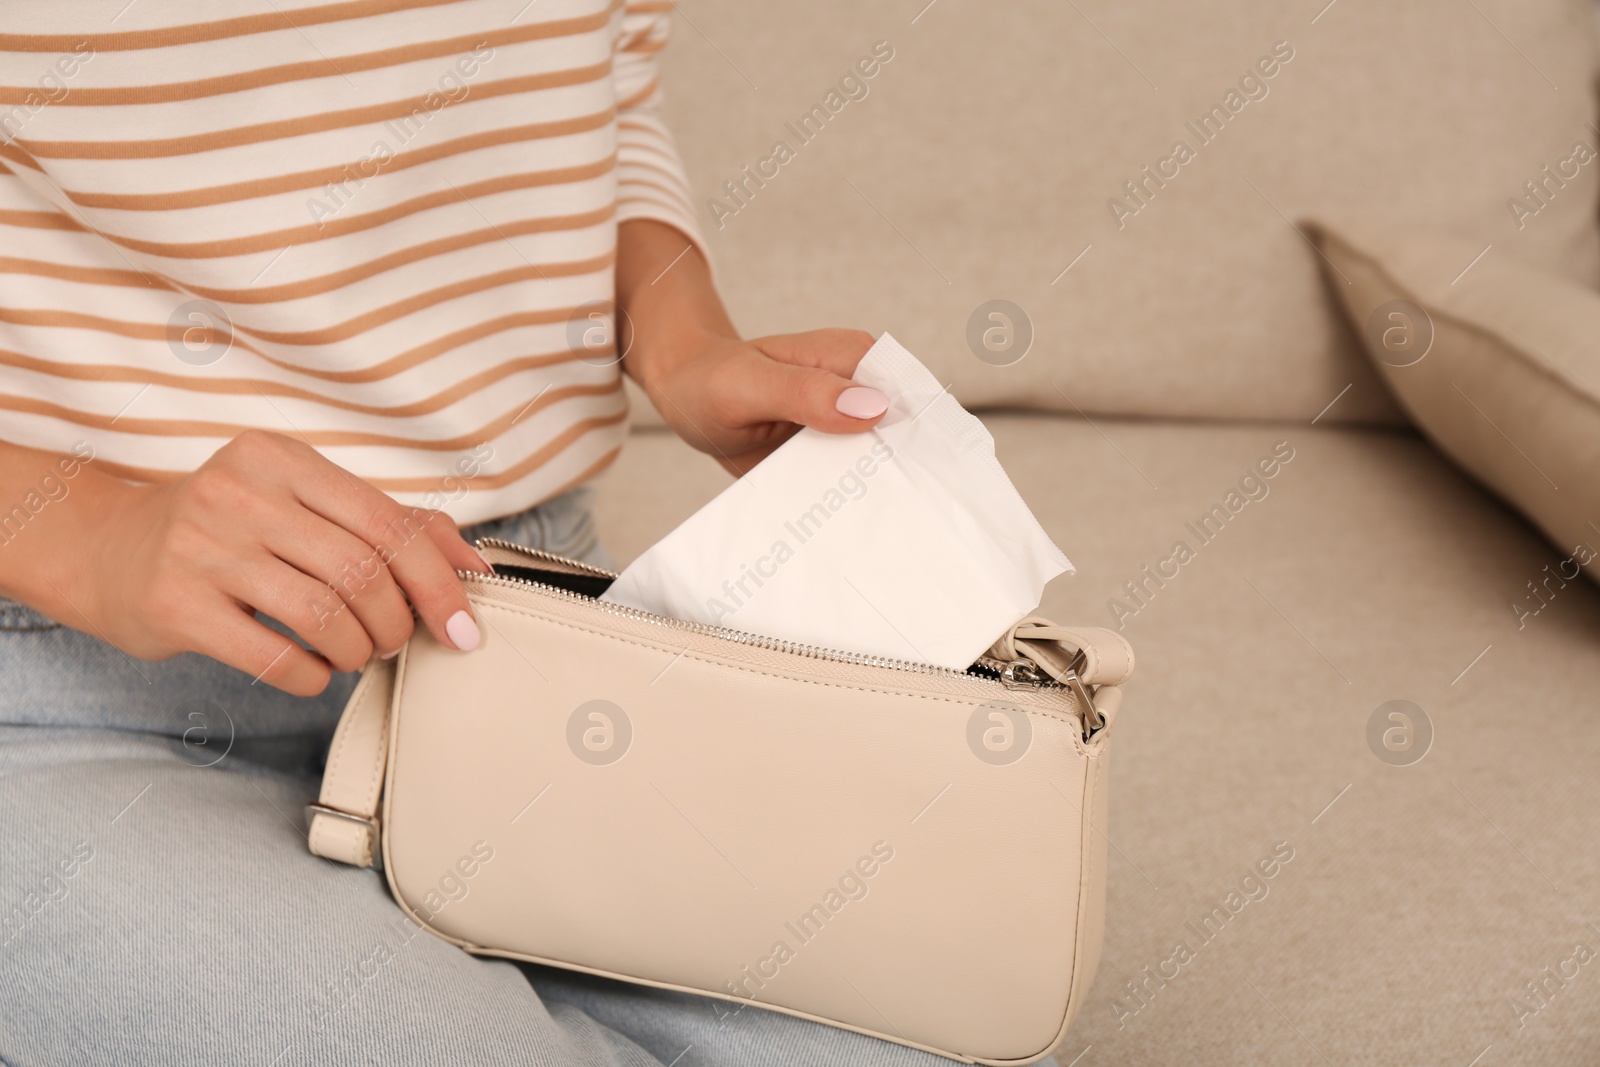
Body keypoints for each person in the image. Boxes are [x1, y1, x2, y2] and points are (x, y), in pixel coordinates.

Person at [0, 4, 946, 1064]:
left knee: (937, 1024)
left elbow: (605, 93)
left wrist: (684, 347)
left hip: (520, 637)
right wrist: (92, 532)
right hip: (59, 694)